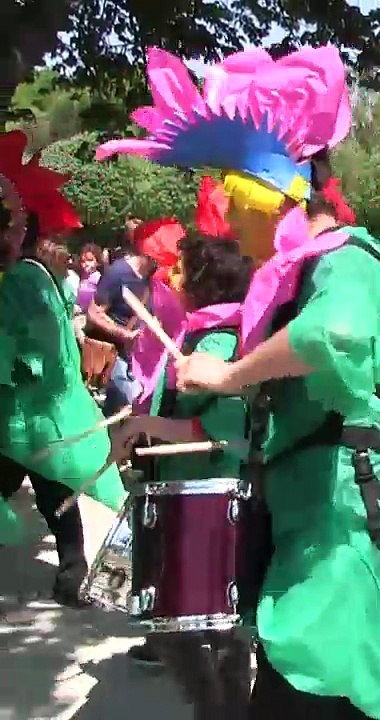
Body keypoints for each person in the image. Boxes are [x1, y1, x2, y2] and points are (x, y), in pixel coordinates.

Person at [101, 44, 380, 719]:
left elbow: (337, 335)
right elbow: (251, 420)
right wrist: (151, 423)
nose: (226, 220)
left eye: (231, 195)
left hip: (353, 541)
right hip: (312, 535)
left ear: (267, 191)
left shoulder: (349, 262)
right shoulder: (291, 280)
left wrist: (228, 372)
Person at [108, 234, 254, 717]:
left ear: (203, 281)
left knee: (196, 620)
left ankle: (218, 711)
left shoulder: (221, 340)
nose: (172, 276)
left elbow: (217, 429)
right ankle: (221, 709)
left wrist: (145, 425)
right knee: (199, 621)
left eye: (182, 269)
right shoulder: (201, 332)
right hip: (182, 488)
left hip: (205, 493)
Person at [0, 129, 126, 604]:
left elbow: (9, 348)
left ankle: (75, 573)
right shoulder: (39, 275)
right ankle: (72, 574)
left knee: (51, 486)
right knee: (55, 489)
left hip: (28, 412)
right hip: (48, 409)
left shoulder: (18, 280)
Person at [85, 236, 155, 415]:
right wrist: (124, 334)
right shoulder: (118, 272)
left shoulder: (150, 278)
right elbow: (94, 313)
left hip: (136, 358)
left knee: (123, 410)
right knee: (128, 404)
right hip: (115, 355)